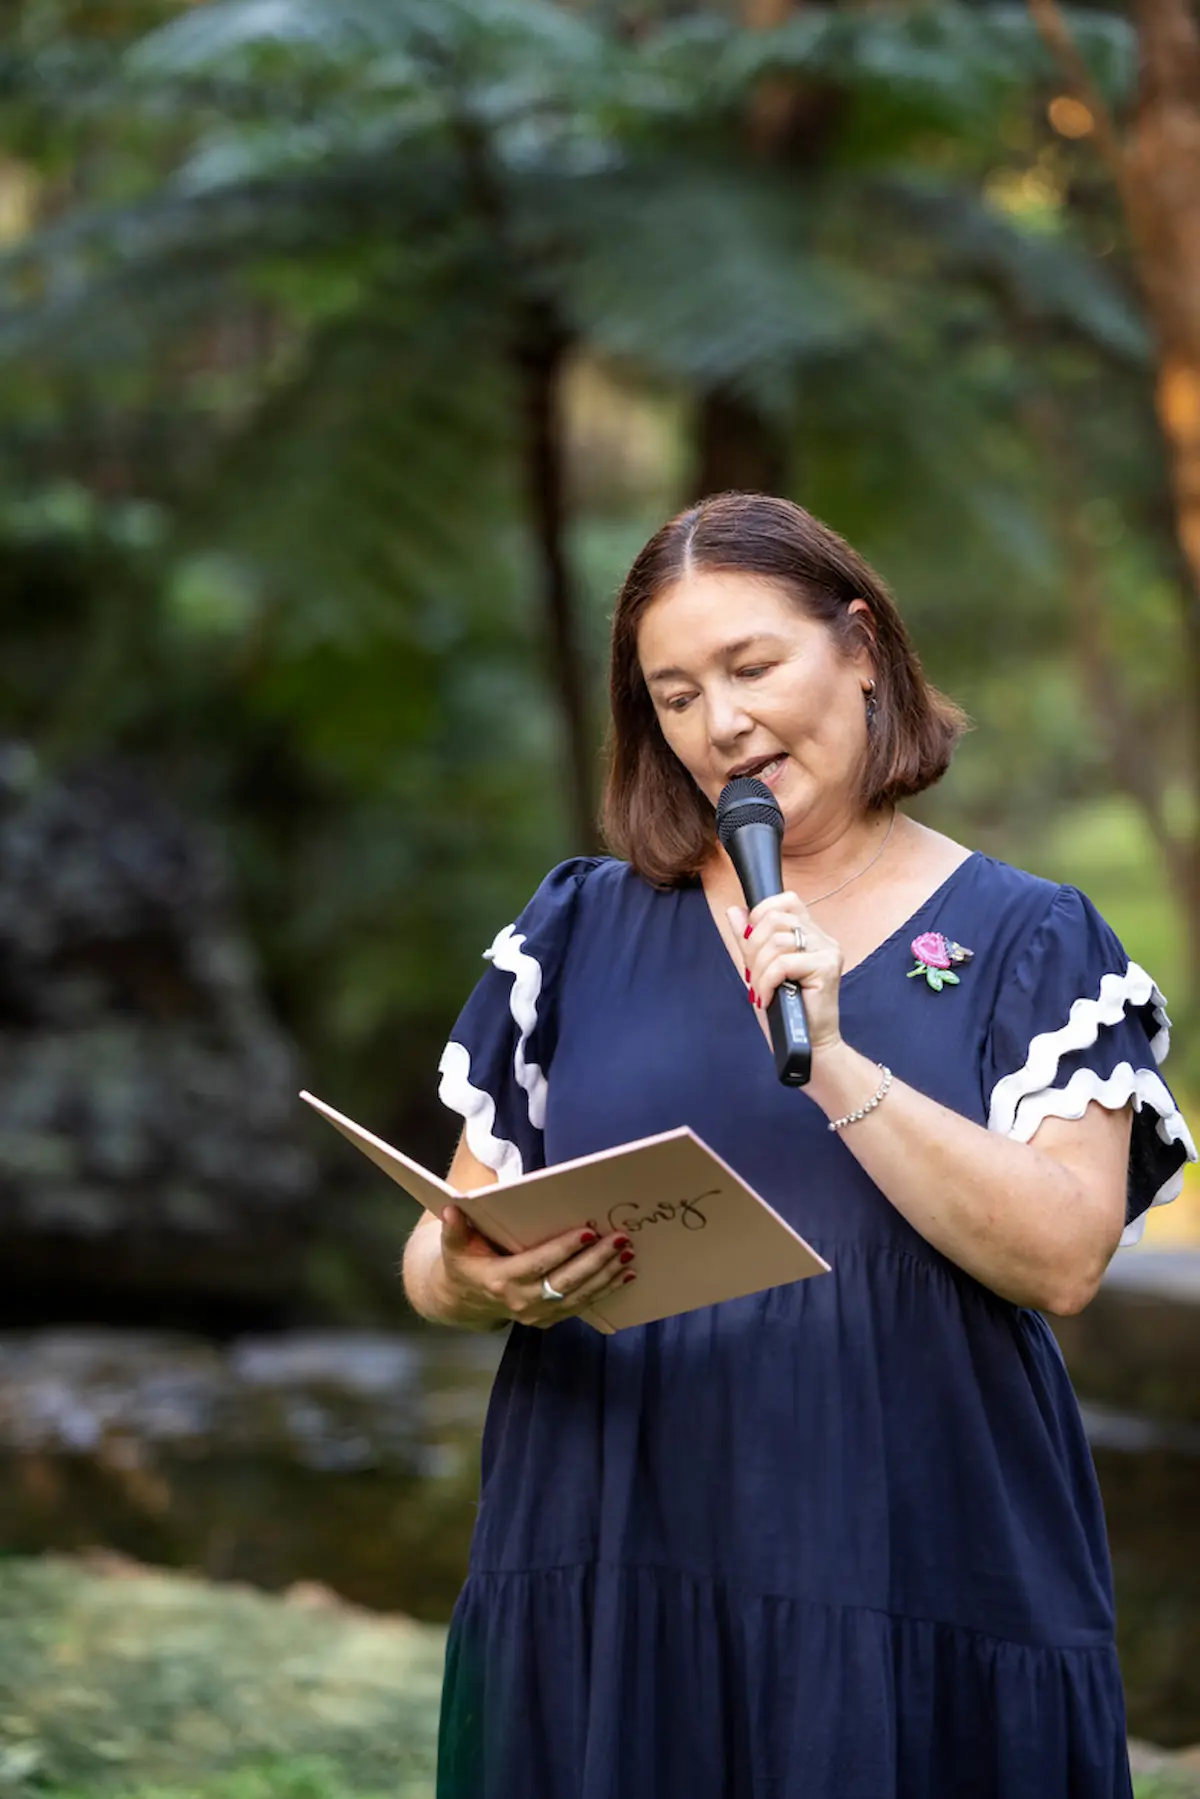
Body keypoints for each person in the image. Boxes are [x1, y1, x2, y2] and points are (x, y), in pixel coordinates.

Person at [402, 493, 1196, 1799]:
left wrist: (831, 1053)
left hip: (910, 1557)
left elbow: (1063, 1256)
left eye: (752, 667)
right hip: (613, 1541)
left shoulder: (1033, 940)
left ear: (862, 649)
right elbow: (444, 1243)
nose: (720, 723)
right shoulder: (578, 929)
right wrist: (470, 1276)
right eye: (675, 694)